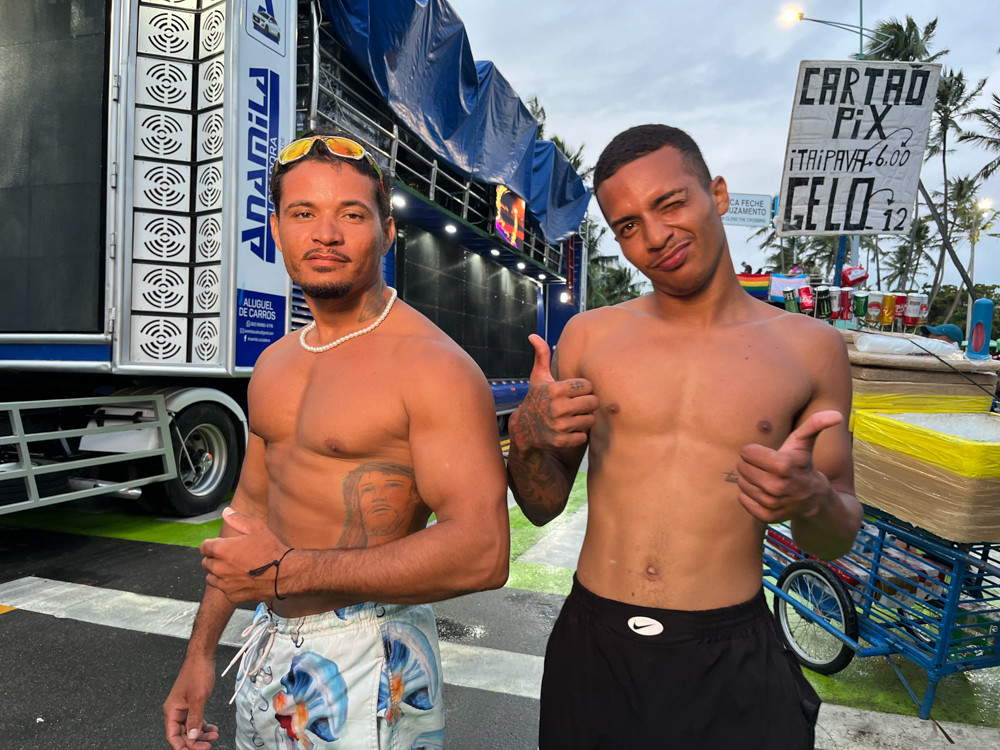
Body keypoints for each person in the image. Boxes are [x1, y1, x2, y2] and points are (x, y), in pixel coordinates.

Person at [506, 124, 862, 750]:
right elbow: (541, 508)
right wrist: (527, 438)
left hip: (729, 650)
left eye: (669, 203)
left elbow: (832, 539)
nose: (654, 236)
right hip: (596, 645)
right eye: (627, 226)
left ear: (716, 194)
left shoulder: (811, 349)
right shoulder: (590, 336)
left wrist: (811, 498)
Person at [163, 131, 510, 750]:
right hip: (268, 643)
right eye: (303, 213)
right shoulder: (274, 364)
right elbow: (247, 516)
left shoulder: (432, 367)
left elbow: (482, 553)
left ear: (386, 232)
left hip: (372, 651)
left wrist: (288, 572)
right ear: (276, 230)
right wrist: (200, 653)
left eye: (351, 214)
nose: (325, 234)